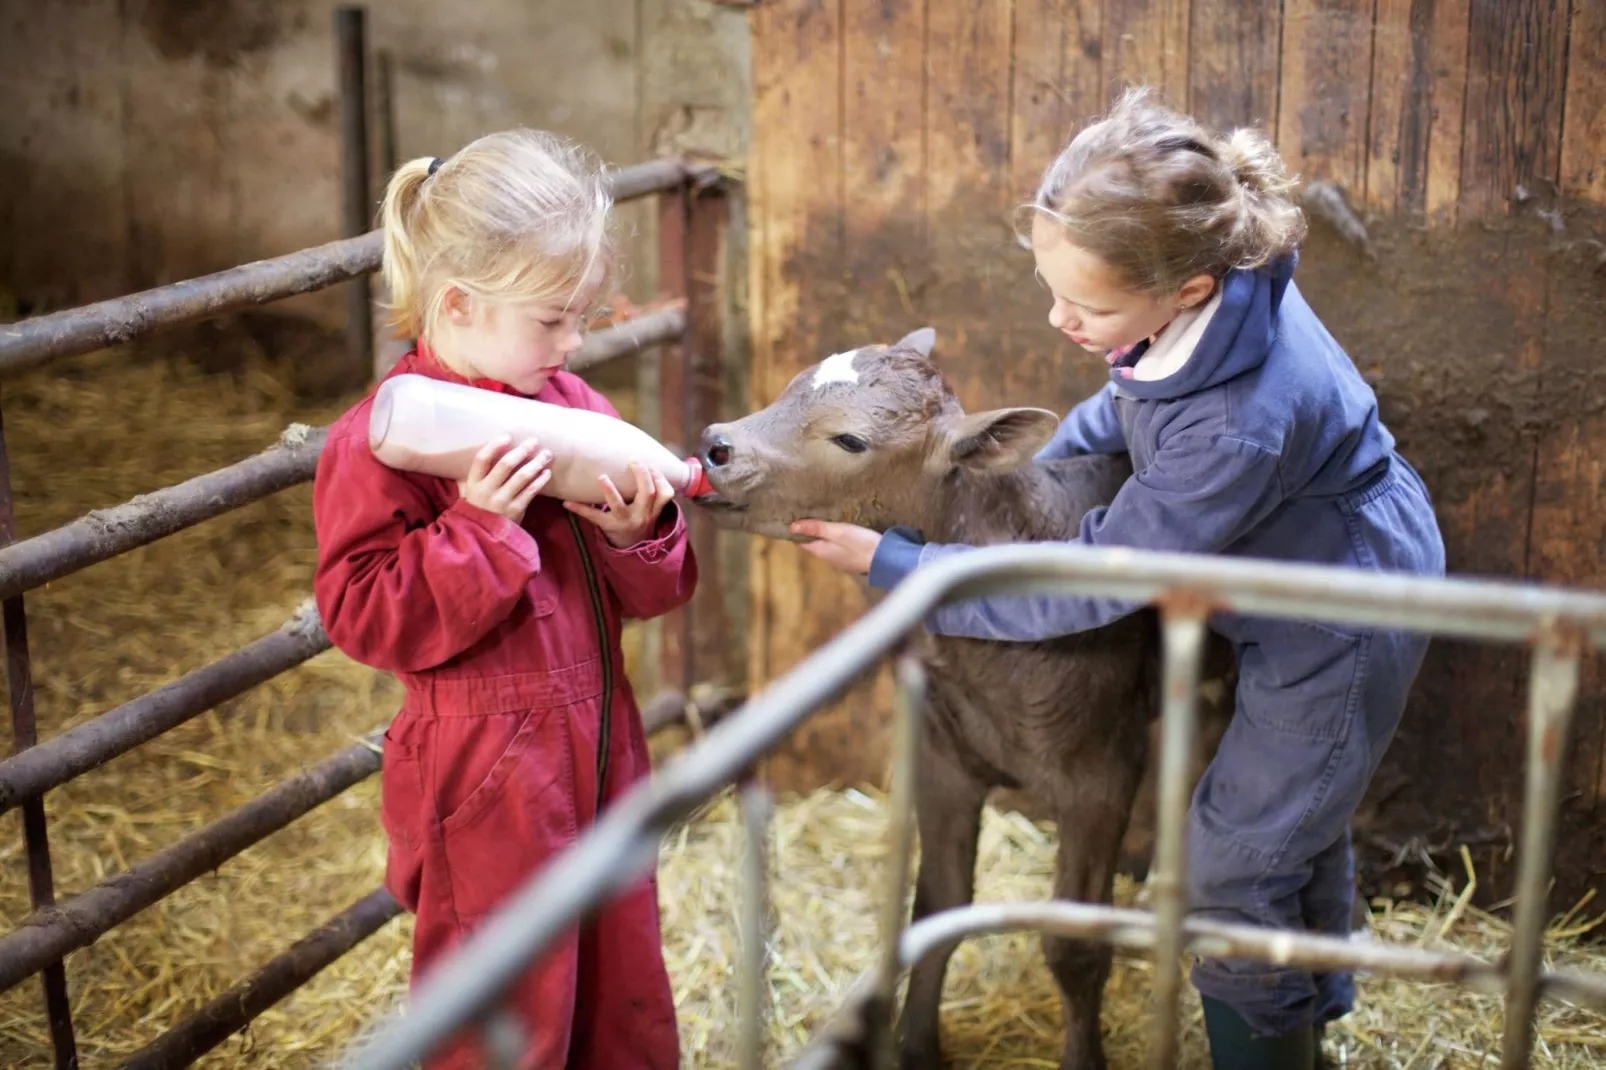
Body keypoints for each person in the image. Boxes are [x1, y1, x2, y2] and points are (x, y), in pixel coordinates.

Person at [791, 87, 1446, 1069]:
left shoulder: (1239, 419)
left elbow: (1099, 578)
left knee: (1236, 861)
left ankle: (1271, 1046)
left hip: (1341, 608)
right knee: (1287, 824)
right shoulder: (1201, 300)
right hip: (1288, 571)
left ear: (1182, 288)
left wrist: (909, 565)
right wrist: (1002, 488)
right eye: (1051, 290)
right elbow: (1124, 406)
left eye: (1088, 305)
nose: (1060, 319)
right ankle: (1305, 1025)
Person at [312, 130, 693, 1070]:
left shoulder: (569, 406)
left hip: (601, 741)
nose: (574, 344)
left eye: (581, 318)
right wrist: (478, 529)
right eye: (552, 319)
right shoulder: (380, 440)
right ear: (458, 303)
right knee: (501, 1004)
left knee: (620, 979)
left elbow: (655, 589)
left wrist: (634, 534)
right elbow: (360, 612)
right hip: (484, 770)